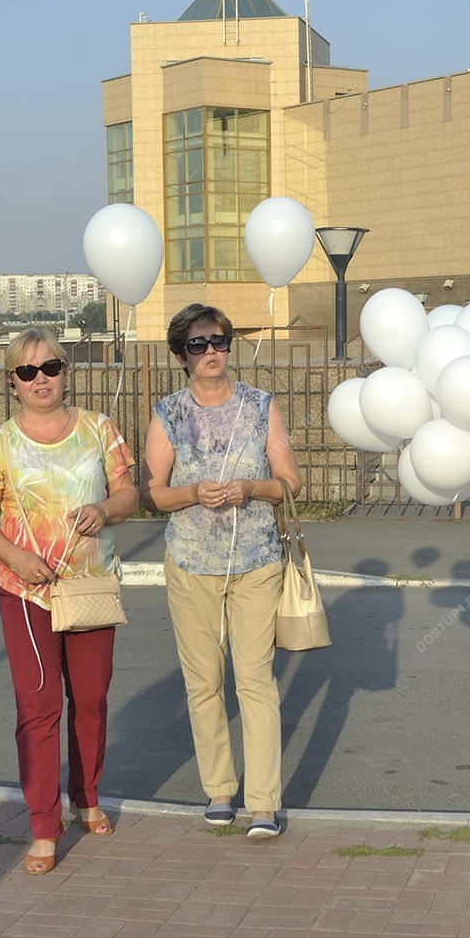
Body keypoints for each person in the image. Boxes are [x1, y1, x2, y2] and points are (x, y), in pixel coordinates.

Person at [0, 328, 138, 875]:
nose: (40, 379)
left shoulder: (99, 429)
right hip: (27, 592)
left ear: (66, 371)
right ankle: (44, 823)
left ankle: (86, 796)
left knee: (90, 699)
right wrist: (17, 558)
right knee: (38, 706)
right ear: (12, 383)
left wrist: (105, 510)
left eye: (50, 367)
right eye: (27, 371)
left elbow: (129, 494)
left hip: (89, 587)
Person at [140, 303, 302, 840]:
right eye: (198, 344)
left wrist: (252, 488)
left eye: (219, 341)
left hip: (256, 561)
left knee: (255, 681)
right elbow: (151, 494)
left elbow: (290, 482)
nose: (211, 352)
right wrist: (192, 492)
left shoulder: (260, 406)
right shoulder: (168, 413)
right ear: (181, 355)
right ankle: (219, 791)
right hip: (191, 564)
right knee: (204, 683)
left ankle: (264, 803)